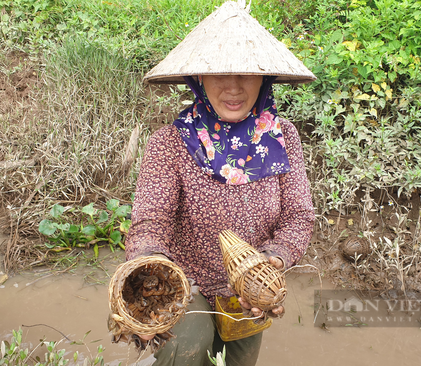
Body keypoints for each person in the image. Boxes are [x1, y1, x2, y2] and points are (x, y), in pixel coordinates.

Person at [124, 2, 315, 365]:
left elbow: (298, 215)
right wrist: (149, 271)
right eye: (217, 74)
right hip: (186, 282)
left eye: (245, 73)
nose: (233, 87)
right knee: (188, 347)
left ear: (265, 78)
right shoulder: (169, 143)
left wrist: (271, 262)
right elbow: (151, 221)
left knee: (238, 361)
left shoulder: (282, 137)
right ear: (197, 79)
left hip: (249, 286)